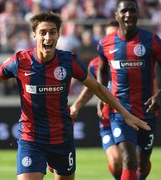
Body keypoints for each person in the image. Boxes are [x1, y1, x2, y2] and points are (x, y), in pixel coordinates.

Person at [0, 11, 150, 180]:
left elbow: (97, 88)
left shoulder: (68, 61)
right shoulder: (20, 61)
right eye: (43, 33)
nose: (48, 37)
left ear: (58, 34)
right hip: (31, 140)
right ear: (34, 35)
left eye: (52, 32)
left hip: (62, 140)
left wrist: (125, 113)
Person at [97, 0, 161, 179]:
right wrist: (102, 97)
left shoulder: (152, 40)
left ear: (138, 13)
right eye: (123, 11)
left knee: (142, 161)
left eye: (132, 11)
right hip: (120, 112)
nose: (128, 15)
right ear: (116, 15)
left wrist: (159, 94)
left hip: (147, 110)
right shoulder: (105, 43)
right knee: (129, 159)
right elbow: (101, 70)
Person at [70, 20, 123, 180]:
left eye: (116, 34)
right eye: (109, 35)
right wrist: (76, 106)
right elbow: (91, 88)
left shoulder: (130, 62)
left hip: (130, 117)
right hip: (107, 119)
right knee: (116, 161)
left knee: (137, 161)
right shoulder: (95, 65)